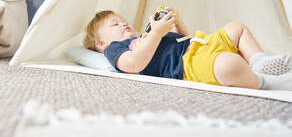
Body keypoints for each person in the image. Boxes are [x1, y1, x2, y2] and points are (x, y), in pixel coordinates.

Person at [83, 7, 292, 90]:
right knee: (229, 65)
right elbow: (134, 63)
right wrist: (156, 34)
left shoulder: (142, 36)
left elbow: (184, 39)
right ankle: (264, 82)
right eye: (115, 25)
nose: (123, 24)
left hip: (199, 44)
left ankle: (259, 61)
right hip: (188, 66)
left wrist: (177, 23)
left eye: (123, 21)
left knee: (236, 28)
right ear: (102, 44)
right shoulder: (116, 49)